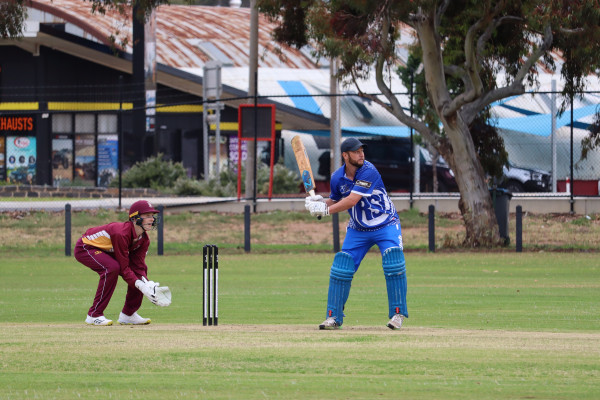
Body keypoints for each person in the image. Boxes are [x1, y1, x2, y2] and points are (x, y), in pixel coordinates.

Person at [305, 138, 408, 330]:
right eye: (356, 151)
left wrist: (325, 210)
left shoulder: (369, 170)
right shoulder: (337, 177)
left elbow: (352, 200)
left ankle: (397, 314)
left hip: (385, 223)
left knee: (393, 262)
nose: (361, 154)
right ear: (345, 155)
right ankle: (333, 317)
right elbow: (336, 199)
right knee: (342, 266)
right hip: (358, 228)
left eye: (362, 151)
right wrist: (318, 203)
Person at [74, 199, 165, 326]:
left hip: (109, 250)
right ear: (135, 218)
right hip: (86, 247)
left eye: (152, 216)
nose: (152, 219)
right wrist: (140, 285)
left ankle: (128, 314)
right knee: (112, 268)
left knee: (140, 273)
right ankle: (94, 315)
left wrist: (147, 285)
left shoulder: (144, 240)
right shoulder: (121, 233)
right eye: (147, 216)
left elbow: (139, 267)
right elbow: (123, 267)